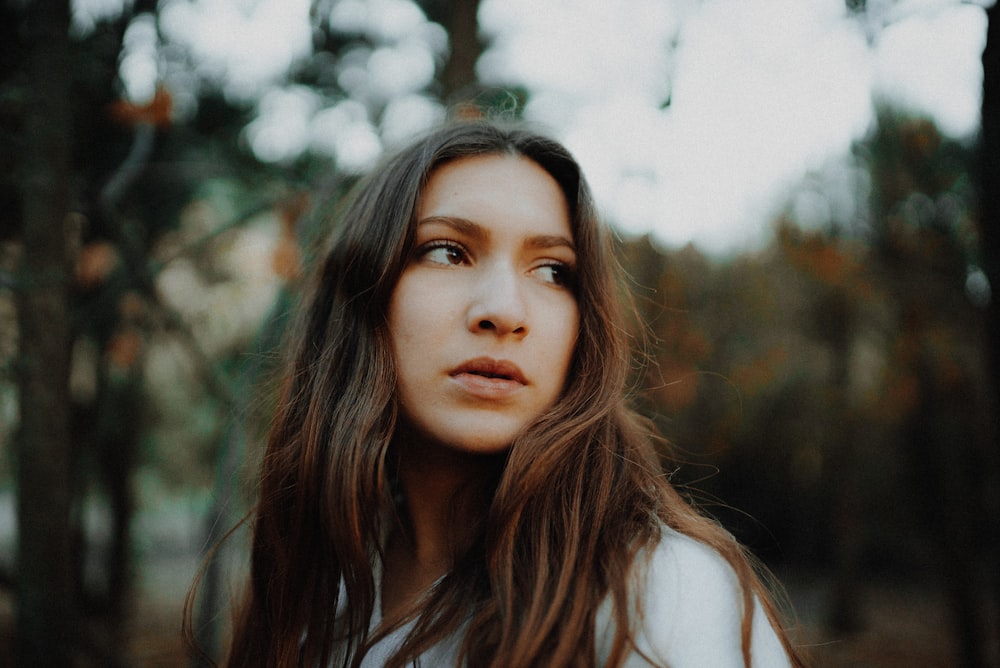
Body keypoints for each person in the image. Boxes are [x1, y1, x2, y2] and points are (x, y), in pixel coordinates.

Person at [211, 119, 804, 667]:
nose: (504, 311)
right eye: (447, 251)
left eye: (552, 271)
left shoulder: (658, 596)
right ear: (366, 298)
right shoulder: (318, 599)